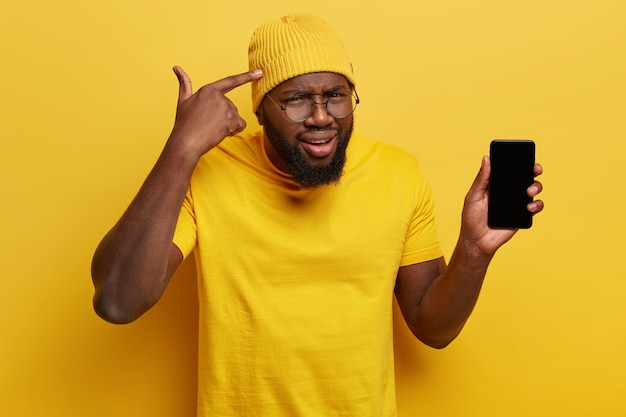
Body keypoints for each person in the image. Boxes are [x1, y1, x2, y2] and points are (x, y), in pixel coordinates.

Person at [91, 13, 544, 417]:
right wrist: (182, 147)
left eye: (336, 95)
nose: (322, 117)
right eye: (296, 100)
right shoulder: (207, 170)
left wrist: (474, 250)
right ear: (261, 109)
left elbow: (433, 328)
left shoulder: (398, 173)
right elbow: (117, 300)